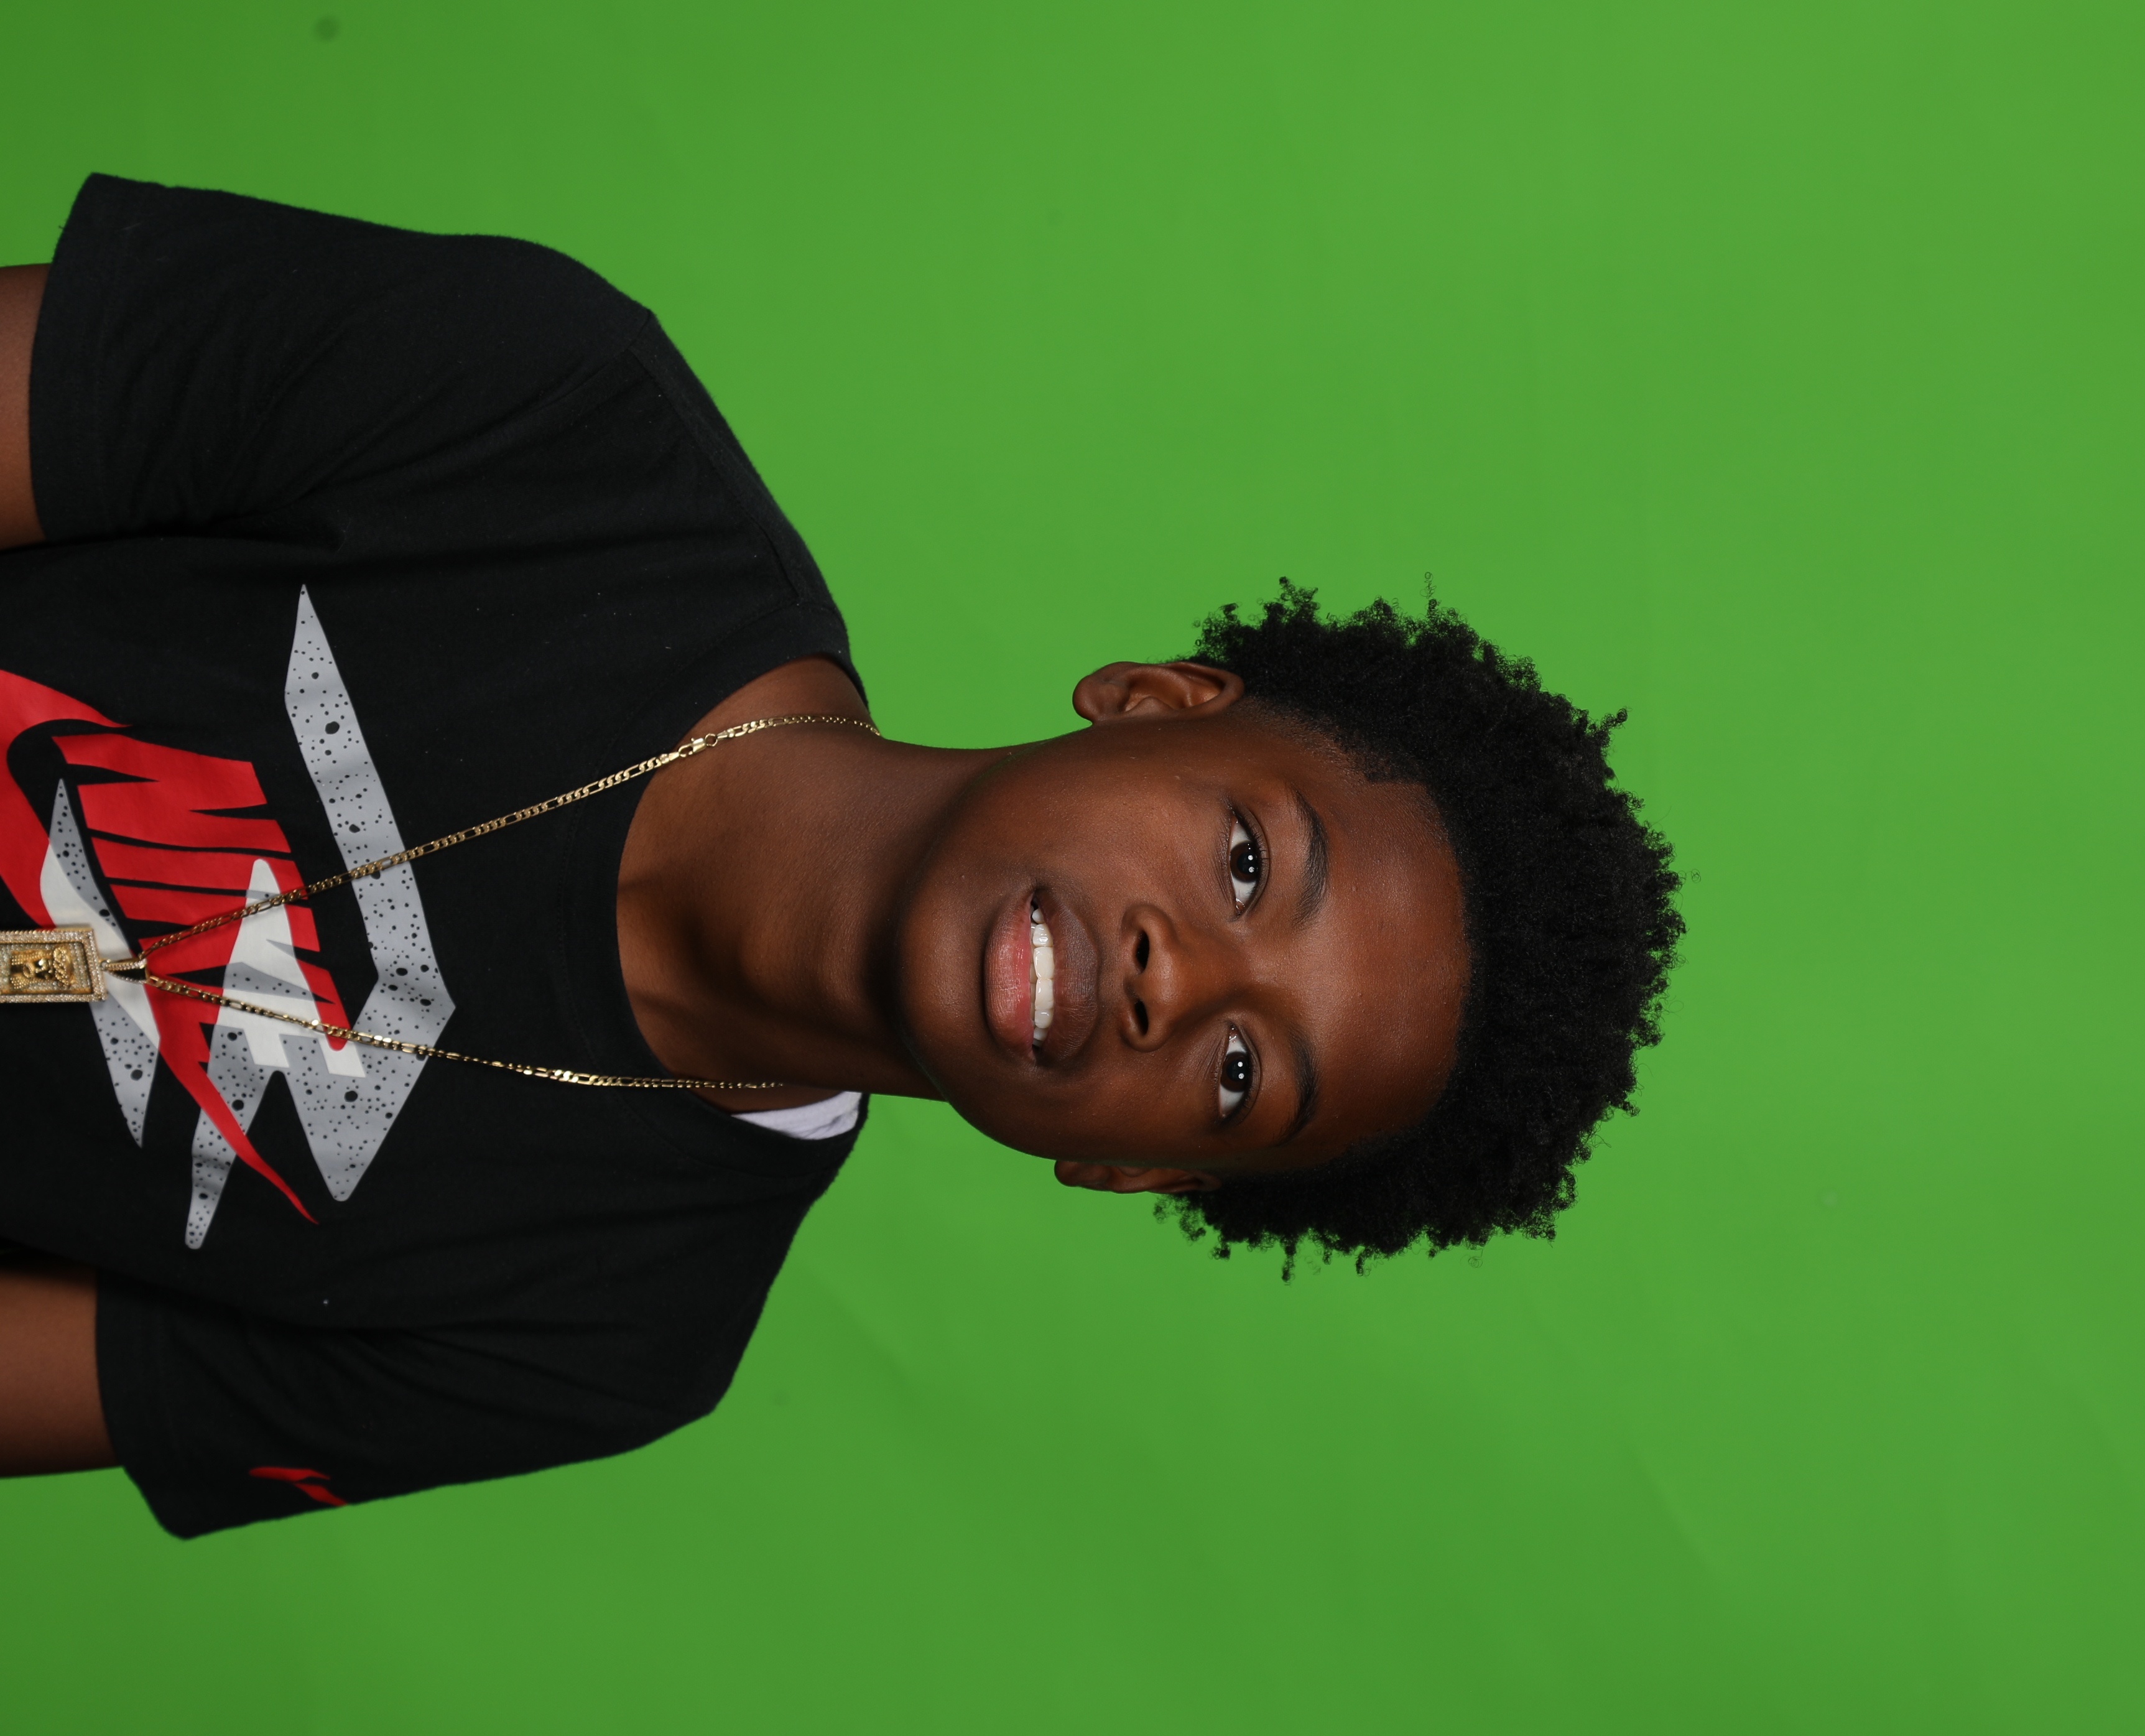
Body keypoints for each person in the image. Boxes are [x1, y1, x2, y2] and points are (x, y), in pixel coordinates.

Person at [0, 177, 1682, 1537]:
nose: (1176, 981)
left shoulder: (610, 1342)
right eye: (1247, 863)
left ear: (1134, 1174)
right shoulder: (554, 422)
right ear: (1154, 703)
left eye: (1243, 1076)